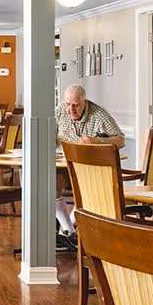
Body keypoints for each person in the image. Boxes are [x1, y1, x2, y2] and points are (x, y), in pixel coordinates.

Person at [53, 84, 124, 251]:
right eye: (67, 104)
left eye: (75, 105)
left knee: (91, 192)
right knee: (49, 181)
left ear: (84, 102)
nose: (70, 109)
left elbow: (120, 140)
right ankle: (69, 232)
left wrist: (95, 141)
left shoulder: (99, 115)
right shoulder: (60, 111)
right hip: (64, 163)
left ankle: (67, 232)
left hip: (90, 167)